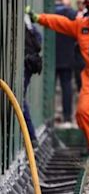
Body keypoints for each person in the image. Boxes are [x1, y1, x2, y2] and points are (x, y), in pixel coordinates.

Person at [27, 0, 89, 155]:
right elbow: (60, 22)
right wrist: (38, 18)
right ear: (88, 8)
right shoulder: (81, 25)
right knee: (83, 113)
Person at [54, 0, 77, 126]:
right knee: (66, 86)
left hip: (51, 59)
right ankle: (67, 117)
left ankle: (50, 117)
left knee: (52, 88)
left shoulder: (46, 12)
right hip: (67, 57)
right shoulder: (71, 13)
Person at [23, 16, 43, 148]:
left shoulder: (26, 22)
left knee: (18, 99)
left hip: (26, 64)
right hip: (27, 64)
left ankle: (31, 136)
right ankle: (31, 136)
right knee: (19, 99)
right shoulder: (26, 21)